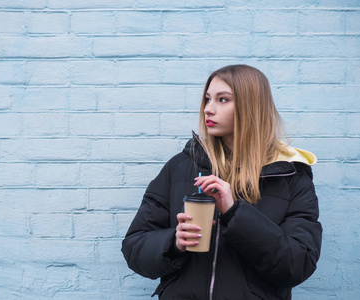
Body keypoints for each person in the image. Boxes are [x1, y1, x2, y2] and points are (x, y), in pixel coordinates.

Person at [121, 64, 322, 299]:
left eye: (222, 100)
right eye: (207, 99)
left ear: (251, 107)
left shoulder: (290, 176)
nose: (208, 109)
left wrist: (234, 212)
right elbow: (134, 246)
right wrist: (174, 242)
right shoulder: (181, 166)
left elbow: (297, 264)